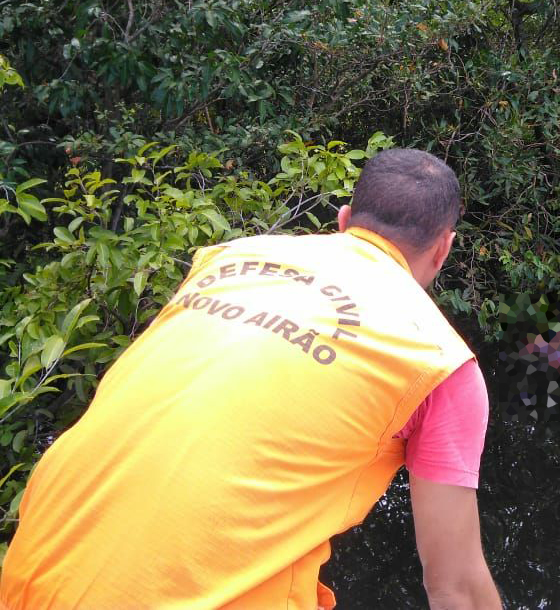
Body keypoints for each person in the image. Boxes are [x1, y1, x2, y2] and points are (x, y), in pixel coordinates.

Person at [0, 148, 502, 610]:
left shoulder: (228, 259)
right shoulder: (439, 361)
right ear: (443, 249)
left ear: (344, 220)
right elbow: (455, 586)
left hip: (30, 571)